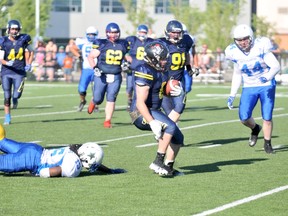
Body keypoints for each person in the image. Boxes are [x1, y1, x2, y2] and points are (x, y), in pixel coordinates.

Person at [129, 41, 184, 177]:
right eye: (163, 58)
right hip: (140, 112)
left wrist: (173, 92)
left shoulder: (161, 71)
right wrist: (152, 122)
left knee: (178, 137)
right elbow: (140, 102)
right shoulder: (144, 70)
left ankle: (168, 166)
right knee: (170, 126)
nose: (166, 60)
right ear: (153, 58)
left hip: (154, 110)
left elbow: (158, 92)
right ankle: (158, 161)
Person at [225, 24, 280, 154]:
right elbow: (237, 74)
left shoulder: (260, 47)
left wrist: (267, 77)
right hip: (249, 86)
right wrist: (232, 94)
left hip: (266, 85)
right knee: (244, 117)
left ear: (251, 37)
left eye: (245, 39)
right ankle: (255, 129)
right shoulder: (233, 52)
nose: (243, 42)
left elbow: (276, 66)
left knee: (267, 116)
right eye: (239, 40)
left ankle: (267, 142)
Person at [0, 124, 126, 177]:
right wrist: (35, 173)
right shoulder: (74, 167)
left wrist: (109, 170)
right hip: (31, 160)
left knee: (1, 139)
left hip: (35, 149)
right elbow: (47, 172)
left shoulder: (76, 149)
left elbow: (90, 159)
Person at [87, 22, 130, 128]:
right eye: (111, 32)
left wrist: (128, 64)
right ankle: (93, 101)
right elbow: (90, 57)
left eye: (115, 32)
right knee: (98, 99)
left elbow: (127, 57)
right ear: (107, 33)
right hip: (101, 74)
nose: (113, 34)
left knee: (111, 98)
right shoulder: (102, 43)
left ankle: (107, 120)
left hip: (116, 75)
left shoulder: (123, 44)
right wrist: (94, 68)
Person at [158, 20, 198, 123]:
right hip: (163, 81)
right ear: (167, 32)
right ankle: (169, 132)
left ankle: (167, 129)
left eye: (178, 32)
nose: (175, 35)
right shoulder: (161, 43)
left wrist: (189, 67)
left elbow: (186, 54)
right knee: (168, 111)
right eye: (173, 32)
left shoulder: (186, 41)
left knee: (180, 107)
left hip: (178, 80)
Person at [0, 20, 34, 125]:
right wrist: (7, 63)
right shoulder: (3, 41)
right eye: (12, 29)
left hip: (19, 71)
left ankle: (15, 99)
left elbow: (30, 51)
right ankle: (7, 117)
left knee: (16, 95)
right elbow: (0, 58)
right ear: (8, 29)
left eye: (16, 29)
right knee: (7, 95)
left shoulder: (24, 39)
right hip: (6, 71)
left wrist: (28, 63)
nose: (14, 31)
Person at [125, 24, 154, 111]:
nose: (142, 34)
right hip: (132, 69)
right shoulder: (132, 40)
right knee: (129, 88)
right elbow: (123, 49)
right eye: (140, 32)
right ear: (137, 32)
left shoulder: (150, 41)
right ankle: (130, 100)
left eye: (144, 32)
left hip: (144, 71)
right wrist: (126, 57)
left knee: (139, 90)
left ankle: (139, 106)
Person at [71, 26, 99, 112]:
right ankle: (83, 101)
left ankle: (95, 105)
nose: (91, 36)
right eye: (89, 34)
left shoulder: (100, 42)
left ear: (96, 35)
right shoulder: (83, 42)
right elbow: (72, 48)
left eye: (93, 34)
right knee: (82, 89)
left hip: (97, 68)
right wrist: (79, 56)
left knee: (96, 89)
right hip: (86, 68)